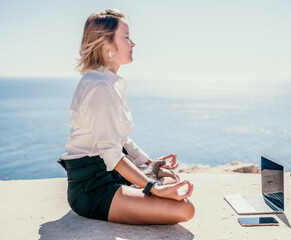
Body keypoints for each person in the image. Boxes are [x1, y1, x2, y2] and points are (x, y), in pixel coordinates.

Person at [58, 9, 195, 225]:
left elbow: (122, 139)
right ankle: (136, 188)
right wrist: (154, 188)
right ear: (106, 45)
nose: (133, 43)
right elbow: (112, 153)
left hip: (110, 174)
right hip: (92, 188)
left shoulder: (109, 82)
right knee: (184, 210)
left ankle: (140, 183)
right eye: (126, 37)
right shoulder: (99, 87)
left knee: (172, 178)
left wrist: (149, 162)